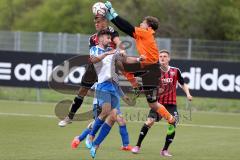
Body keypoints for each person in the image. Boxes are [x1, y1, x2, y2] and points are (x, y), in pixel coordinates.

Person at [58, 15, 138, 127]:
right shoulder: (92, 38)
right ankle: (70, 117)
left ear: (105, 22)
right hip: (94, 68)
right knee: (82, 91)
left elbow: (118, 42)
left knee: (107, 94)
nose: (96, 24)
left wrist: (122, 50)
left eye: (99, 22)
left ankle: (98, 121)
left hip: (109, 68)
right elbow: (93, 56)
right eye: (95, 22)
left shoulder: (112, 32)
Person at [104, 1, 176, 124]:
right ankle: (170, 118)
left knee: (152, 104)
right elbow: (126, 28)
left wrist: (113, 14)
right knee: (153, 104)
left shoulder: (147, 33)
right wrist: (112, 17)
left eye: (143, 23)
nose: (140, 24)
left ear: (149, 27)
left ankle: (170, 118)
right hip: (149, 69)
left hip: (149, 68)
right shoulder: (143, 35)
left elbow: (128, 27)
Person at [131, 49, 193, 156]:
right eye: (161, 56)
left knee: (172, 123)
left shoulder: (175, 71)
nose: (163, 58)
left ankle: (164, 150)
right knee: (149, 122)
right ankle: (137, 146)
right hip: (158, 104)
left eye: (165, 56)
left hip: (171, 104)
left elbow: (182, 84)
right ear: (158, 58)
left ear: (169, 58)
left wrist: (188, 94)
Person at [85, 29, 124, 158]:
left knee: (113, 117)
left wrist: (139, 59)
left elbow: (123, 59)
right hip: (102, 85)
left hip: (113, 86)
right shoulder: (95, 49)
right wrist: (108, 53)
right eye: (108, 38)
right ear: (101, 38)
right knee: (106, 110)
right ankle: (90, 135)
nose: (110, 40)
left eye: (110, 38)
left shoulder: (111, 51)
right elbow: (94, 60)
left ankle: (96, 145)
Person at [71, 82, 133, 151]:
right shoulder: (99, 76)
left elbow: (117, 86)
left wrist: (123, 96)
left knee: (121, 121)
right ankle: (79, 138)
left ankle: (126, 145)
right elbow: (88, 90)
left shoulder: (114, 75)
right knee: (95, 124)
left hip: (114, 102)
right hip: (100, 103)